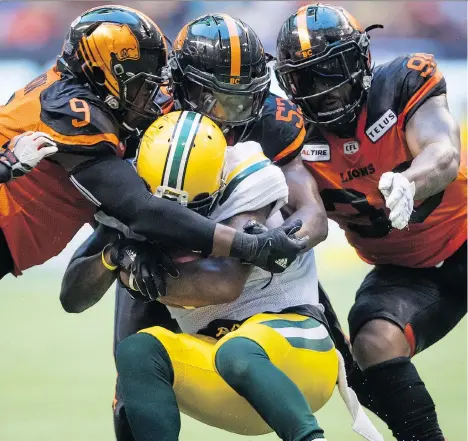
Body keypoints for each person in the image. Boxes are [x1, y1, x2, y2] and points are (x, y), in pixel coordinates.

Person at [61, 110, 382, 441]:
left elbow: (223, 283)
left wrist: (136, 277)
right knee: (137, 351)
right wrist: (113, 256)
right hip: (218, 365)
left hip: (294, 356)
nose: (175, 221)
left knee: (238, 350)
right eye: (162, 209)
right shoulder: (131, 193)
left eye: (192, 207)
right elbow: (72, 296)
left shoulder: (248, 176)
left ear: (220, 180)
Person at [107, 13, 338, 440]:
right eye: (209, 96)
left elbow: (313, 214)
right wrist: (123, 258)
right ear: (177, 85)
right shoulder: (148, 116)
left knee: (335, 347)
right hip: (163, 241)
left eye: (239, 100)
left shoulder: (269, 120)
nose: (225, 114)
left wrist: (281, 242)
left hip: (244, 248)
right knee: (130, 379)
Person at [0, 5, 304, 281]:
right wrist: (247, 246)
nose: (152, 93)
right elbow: (139, 209)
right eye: (141, 83)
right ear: (103, 71)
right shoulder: (73, 111)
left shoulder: (87, 99)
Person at [275, 4, 466, 441]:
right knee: (371, 344)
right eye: (308, 79)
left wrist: (408, 182)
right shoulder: (289, 133)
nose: (325, 91)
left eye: (333, 70)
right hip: (405, 272)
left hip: (465, 234)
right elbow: (299, 222)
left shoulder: (402, 83)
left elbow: (442, 152)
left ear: (361, 60)